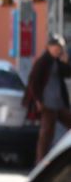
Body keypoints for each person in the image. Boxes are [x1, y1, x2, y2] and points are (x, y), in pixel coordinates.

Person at [24, 34, 71, 165]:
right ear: (49, 47)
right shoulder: (43, 61)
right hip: (47, 103)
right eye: (55, 47)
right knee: (46, 133)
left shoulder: (56, 61)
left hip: (59, 103)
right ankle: (40, 162)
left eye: (59, 48)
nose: (58, 50)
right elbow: (33, 82)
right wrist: (38, 101)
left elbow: (67, 72)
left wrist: (65, 60)